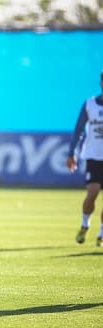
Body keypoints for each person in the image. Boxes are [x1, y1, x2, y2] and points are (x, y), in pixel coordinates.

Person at [67, 70, 103, 247]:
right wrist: (71, 152)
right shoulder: (90, 104)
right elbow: (79, 129)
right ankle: (85, 224)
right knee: (93, 192)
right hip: (94, 156)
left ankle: (102, 233)